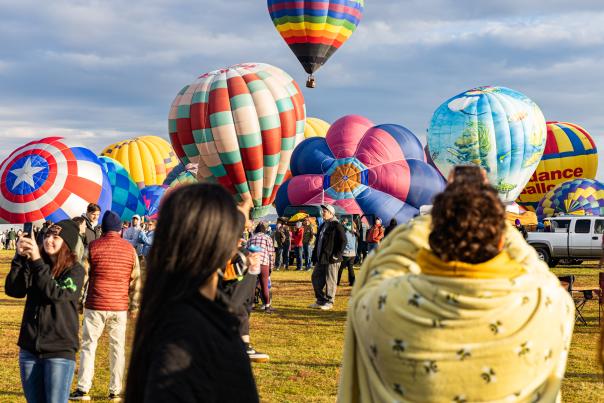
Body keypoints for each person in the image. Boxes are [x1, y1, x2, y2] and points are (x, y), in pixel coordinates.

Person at [338, 177, 575, 402]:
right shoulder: (549, 303)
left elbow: (387, 261)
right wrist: (494, 217)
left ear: (432, 236)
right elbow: (532, 264)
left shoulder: (379, 306)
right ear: (502, 239)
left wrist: (431, 216)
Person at [124, 184, 258, 402]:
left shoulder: (198, 306)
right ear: (213, 243)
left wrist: (241, 209)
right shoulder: (185, 330)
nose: (239, 242)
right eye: (234, 235)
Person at [5, 221, 85, 403]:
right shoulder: (34, 263)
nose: (49, 240)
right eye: (47, 235)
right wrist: (19, 258)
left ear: (67, 243)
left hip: (59, 351)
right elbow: (14, 290)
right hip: (29, 350)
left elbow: (56, 293)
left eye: (56, 237)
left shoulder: (75, 271)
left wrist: (37, 261)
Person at [70, 211, 141, 401]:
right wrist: (134, 307)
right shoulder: (130, 250)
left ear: (103, 229)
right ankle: (115, 391)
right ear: (119, 230)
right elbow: (136, 282)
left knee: (88, 346)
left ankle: (83, 389)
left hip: (95, 304)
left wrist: (78, 303)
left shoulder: (93, 247)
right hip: (119, 306)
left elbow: (82, 278)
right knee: (117, 348)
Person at [310, 204, 346, 311]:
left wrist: (336, 255)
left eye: (324, 211)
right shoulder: (323, 225)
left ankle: (329, 302)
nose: (322, 213)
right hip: (322, 258)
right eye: (322, 211)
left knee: (330, 280)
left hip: (332, 259)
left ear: (331, 213)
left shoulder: (336, 225)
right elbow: (318, 242)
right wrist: (315, 256)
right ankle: (320, 300)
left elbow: (343, 241)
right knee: (315, 277)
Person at [247, 223, 275, 312]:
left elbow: (247, 251)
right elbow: (271, 253)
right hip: (264, 263)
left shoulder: (251, 238)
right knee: (264, 285)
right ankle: (267, 306)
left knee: (252, 286)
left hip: (253, 263)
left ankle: (251, 305)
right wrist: (271, 266)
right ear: (264, 230)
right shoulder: (267, 238)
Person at [337, 219, 357, 287]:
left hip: (346, 253)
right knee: (350, 268)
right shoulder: (353, 233)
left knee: (340, 268)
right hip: (353, 253)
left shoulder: (345, 233)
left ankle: (337, 281)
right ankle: (353, 282)